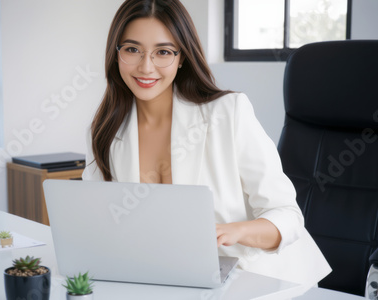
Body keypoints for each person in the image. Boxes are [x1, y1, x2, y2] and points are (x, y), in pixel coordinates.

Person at [82, 0, 330, 285]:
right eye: (132, 49)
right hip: (166, 279)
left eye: (163, 52)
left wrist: (235, 231)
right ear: (116, 54)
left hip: (254, 279)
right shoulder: (103, 131)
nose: (146, 66)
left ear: (182, 57)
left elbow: (287, 216)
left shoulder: (229, 112)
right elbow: (100, 226)